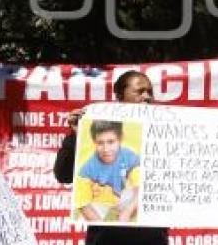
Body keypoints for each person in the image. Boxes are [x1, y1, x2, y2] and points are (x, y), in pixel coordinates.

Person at [54, 71, 166, 245]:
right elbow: (63, 175)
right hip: (106, 238)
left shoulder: (166, 132)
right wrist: (76, 136)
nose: (147, 96)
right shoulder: (96, 130)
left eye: (150, 92)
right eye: (140, 91)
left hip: (153, 238)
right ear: (120, 96)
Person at [75, 120, 139, 222]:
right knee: (82, 220)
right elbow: (83, 205)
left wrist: (127, 212)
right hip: (99, 200)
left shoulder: (130, 156)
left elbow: (140, 189)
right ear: (94, 141)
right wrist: (101, 225)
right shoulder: (86, 169)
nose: (106, 149)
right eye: (100, 143)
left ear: (120, 139)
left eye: (111, 142)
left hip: (122, 195)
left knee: (145, 201)